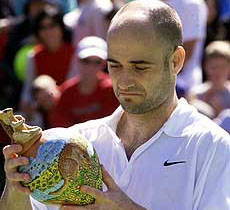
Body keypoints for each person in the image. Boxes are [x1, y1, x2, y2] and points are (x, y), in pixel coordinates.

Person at [1, 1, 230, 210]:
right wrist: (16, 190)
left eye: (140, 67)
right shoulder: (78, 140)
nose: (125, 81)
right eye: (115, 66)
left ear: (176, 61)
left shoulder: (213, 146)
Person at [48, 36, 119, 127]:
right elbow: (60, 127)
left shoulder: (113, 90)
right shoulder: (66, 92)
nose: (91, 67)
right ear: (77, 61)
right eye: (86, 61)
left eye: (97, 62)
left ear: (104, 63)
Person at [162, 0, 208, 94]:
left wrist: (162, 76)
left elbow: (188, 50)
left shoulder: (192, 4)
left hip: (186, 84)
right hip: (158, 82)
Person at [189, 41, 230, 118]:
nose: (218, 72)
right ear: (205, 67)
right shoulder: (195, 93)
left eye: (223, 67)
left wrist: (219, 113)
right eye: (213, 67)